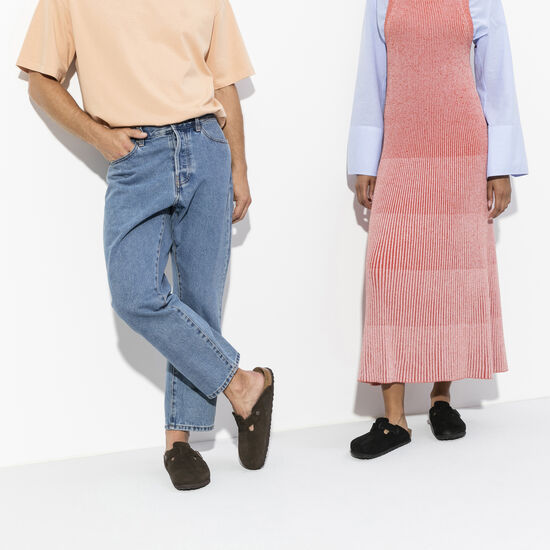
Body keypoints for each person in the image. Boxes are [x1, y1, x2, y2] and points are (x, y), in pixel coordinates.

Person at [16, 0, 274, 489]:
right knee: (135, 295)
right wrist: (97, 135)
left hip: (206, 144)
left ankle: (179, 442)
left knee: (199, 303)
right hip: (135, 157)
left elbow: (224, 83)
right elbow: (40, 80)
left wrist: (239, 167)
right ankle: (244, 384)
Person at [348, 0, 527, 459]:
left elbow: (496, 78)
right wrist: (366, 158)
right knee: (389, 274)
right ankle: (393, 418)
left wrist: (499, 166)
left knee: (451, 275)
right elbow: (372, 75)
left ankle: (441, 399)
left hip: (462, 150)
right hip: (400, 147)